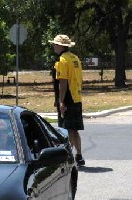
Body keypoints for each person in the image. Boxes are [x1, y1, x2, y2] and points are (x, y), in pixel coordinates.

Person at [49, 34, 85, 166]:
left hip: (67, 99)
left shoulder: (62, 60)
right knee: (74, 129)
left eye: (55, 44)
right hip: (76, 98)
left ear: (60, 46)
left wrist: (61, 101)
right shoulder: (75, 58)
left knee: (66, 129)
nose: (53, 46)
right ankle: (79, 155)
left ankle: (68, 156)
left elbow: (63, 82)